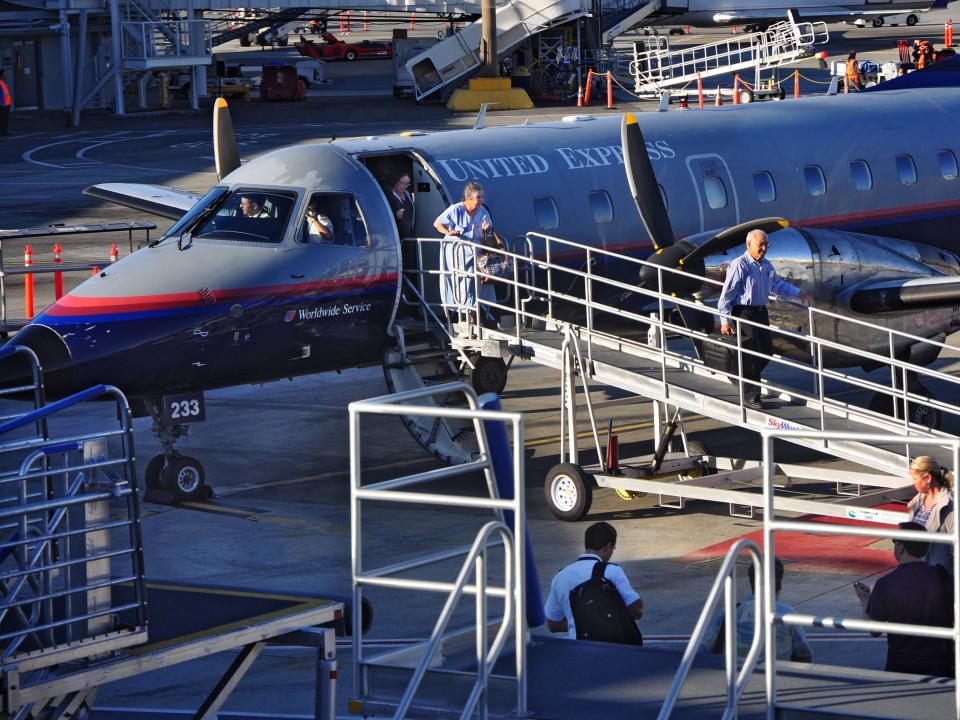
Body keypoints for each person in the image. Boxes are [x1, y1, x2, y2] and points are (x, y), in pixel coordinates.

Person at [717, 229, 811, 410]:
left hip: (761, 312)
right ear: (749, 245)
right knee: (752, 354)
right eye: (760, 245)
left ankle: (737, 372)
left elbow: (777, 284)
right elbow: (727, 295)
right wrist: (725, 320)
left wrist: (798, 293)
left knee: (767, 351)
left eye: (766, 245)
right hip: (744, 312)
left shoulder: (766, 265)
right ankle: (751, 395)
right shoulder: (740, 265)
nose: (764, 248)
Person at [853, 522, 953, 677]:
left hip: (902, 667)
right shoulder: (944, 577)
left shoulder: (886, 584)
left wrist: (865, 599)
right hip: (940, 665)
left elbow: (874, 630)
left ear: (900, 547)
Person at [544, 521, 644, 639]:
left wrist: (578, 624)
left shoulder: (560, 577)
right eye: (613, 548)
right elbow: (637, 610)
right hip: (611, 647)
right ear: (608, 547)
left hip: (578, 648)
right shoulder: (611, 571)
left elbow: (553, 625)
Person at [701, 558, 813, 663]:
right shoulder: (787, 615)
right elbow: (803, 654)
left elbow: (704, 648)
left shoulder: (730, 614)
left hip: (736, 676)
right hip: (776, 677)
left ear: (751, 582)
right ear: (778, 584)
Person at [434, 181, 501, 325]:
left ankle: (474, 318)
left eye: (482, 197)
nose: (481, 200)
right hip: (457, 252)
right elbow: (437, 224)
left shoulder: (483, 211)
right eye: (478, 197)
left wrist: (486, 230)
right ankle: (460, 315)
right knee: (459, 282)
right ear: (468, 198)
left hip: (474, 252)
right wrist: (449, 232)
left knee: (473, 283)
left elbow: (490, 235)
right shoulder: (455, 209)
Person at [907, 456, 955, 570]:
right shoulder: (917, 502)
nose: (913, 483)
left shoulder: (950, 505)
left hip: (938, 577)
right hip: (916, 571)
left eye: (914, 479)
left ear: (928, 478)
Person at [0, 69, 11, 136]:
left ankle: (4, 130)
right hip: (3, 104)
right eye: (4, 74)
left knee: (5, 118)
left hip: (6, 103)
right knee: (3, 118)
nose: (6, 75)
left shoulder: (3, 82)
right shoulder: (1, 83)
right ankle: (2, 131)